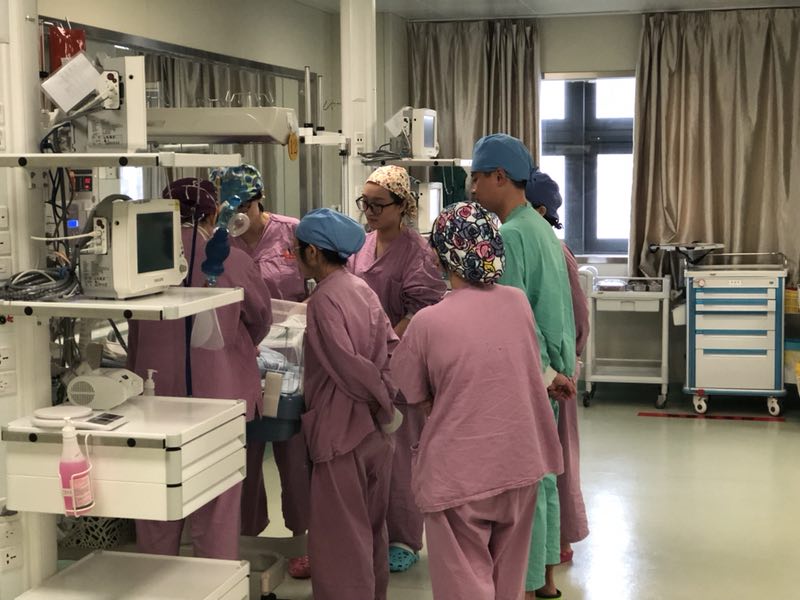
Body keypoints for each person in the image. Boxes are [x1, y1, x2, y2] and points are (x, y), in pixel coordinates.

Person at [390, 201, 563, 600]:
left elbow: (412, 391)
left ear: (441, 255)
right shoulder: (517, 303)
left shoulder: (428, 322)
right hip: (520, 464)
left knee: (464, 584)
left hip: (460, 475)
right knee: (509, 582)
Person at [127, 178, 273, 560]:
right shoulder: (232, 259)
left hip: (154, 398)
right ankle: (216, 580)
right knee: (217, 503)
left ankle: (156, 582)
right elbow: (260, 318)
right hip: (218, 399)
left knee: (157, 502)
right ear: (213, 214)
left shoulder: (140, 261)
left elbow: (135, 331)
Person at [470, 133, 576, 600]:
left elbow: (513, 322)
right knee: (544, 479)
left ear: (499, 176)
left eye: (476, 177)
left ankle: (525, 586)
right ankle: (546, 579)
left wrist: (545, 375)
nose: (472, 188)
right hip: (550, 371)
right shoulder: (540, 227)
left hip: (532, 377)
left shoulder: (510, 236)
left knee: (523, 486)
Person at [213, 164, 312, 578]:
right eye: (229, 209)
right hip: (241, 358)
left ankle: (301, 540)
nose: (237, 217)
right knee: (245, 455)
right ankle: (246, 539)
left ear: (259, 202)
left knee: (294, 455)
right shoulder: (217, 241)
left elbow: (319, 281)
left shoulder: (292, 234)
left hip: (292, 360)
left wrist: (302, 317)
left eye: (243, 208)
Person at [295, 208, 397, 600]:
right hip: (375, 432)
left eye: (296, 250)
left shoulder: (324, 300)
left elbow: (346, 365)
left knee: (341, 536)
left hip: (342, 430)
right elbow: (391, 347)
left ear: (313, 252)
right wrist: (385, 400)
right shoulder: (361, 289)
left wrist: (375, 394)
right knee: (371, 525)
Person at [349, 164, 447, 572]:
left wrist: (384, 344)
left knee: (403, 456)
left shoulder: (418, 253)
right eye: (365, 203)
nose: (370, 212)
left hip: (400, 367)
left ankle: (404, 538)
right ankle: (372, 532)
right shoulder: (361, 245)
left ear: (403, 205)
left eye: (378, 204)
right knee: (368, 455)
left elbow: (421, 309)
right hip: (362, 365)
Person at [526, 168, 590, 564]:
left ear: (540, 210)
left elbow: (577, 316)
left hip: (556, 372)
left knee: (557, 455)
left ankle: (560, 537)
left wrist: (565, 364)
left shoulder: (553, 249)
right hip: (542, 369)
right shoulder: (535, 243)